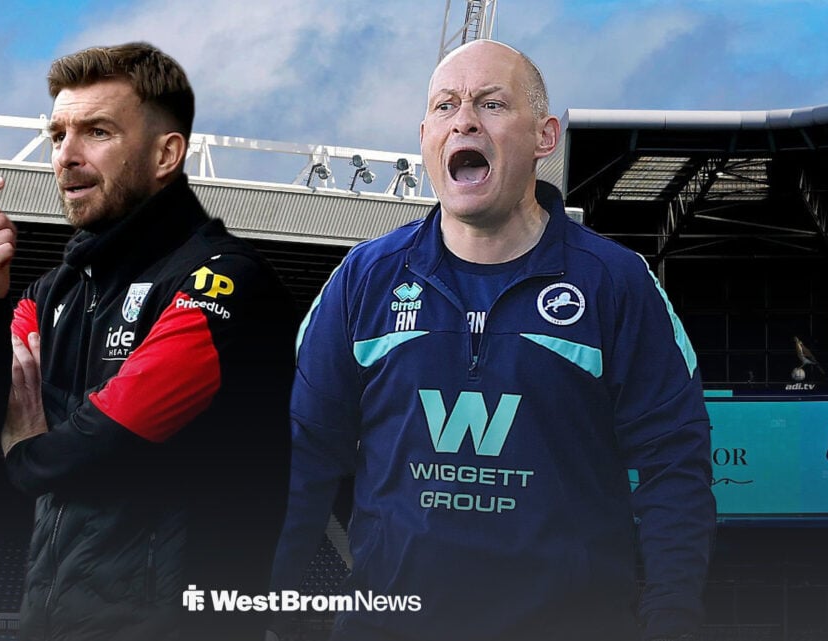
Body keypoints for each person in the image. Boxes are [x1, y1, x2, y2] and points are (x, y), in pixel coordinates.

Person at [272, 40, 715, 641]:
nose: (464, 120)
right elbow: (298, 460)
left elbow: (674, 473)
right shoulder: (363, 280)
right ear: (425, 134)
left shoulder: (618, 285)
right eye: (445, 105)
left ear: (544, 136)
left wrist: (673, 622)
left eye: (491, 103)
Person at [0, 42, 295, 641]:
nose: (66, 157)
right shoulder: (50, 295)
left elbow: (112, 436)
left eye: (97, 132)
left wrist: (27, 454)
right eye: (58, 136)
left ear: (166, 153)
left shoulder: (223, 280)